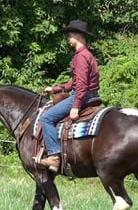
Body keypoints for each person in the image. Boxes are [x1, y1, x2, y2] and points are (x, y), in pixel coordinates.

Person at [37, 19, 100, 172]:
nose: (68, 38)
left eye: (70, 35)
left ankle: (54, 157)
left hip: (83, 96)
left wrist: (76, 106)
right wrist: (56, 89)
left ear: (78, 36)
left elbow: (81, 86)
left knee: (46, 118)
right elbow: (76, 82)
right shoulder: (87, 55)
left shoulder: (80, 57)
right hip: (90, 95)